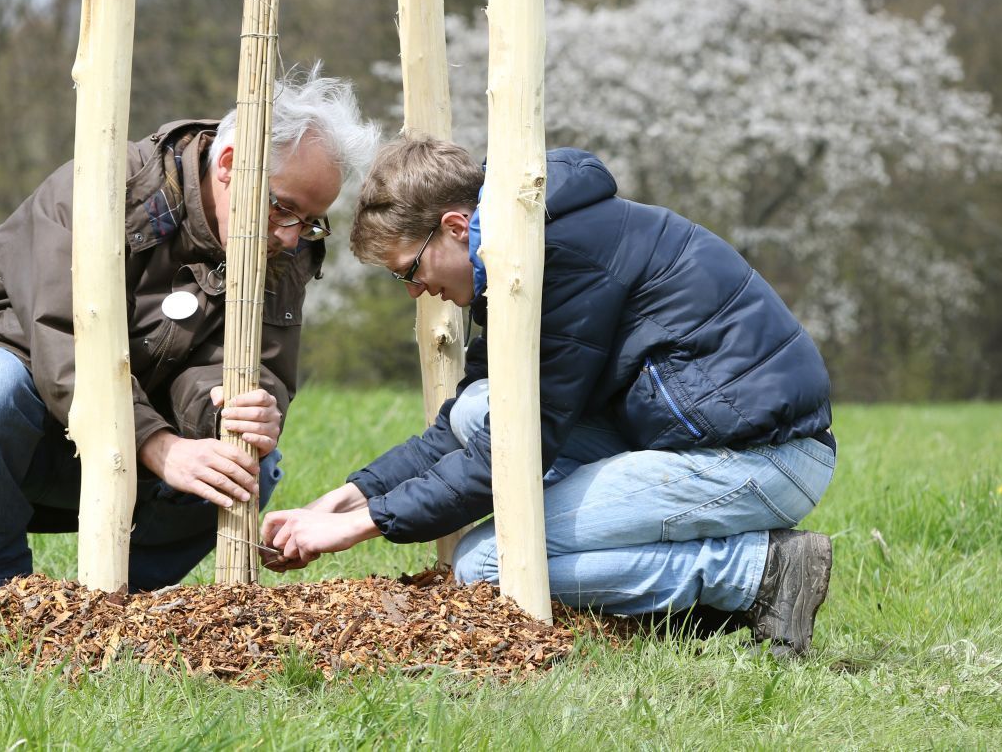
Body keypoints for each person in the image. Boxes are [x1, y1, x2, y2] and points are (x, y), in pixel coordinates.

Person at [261, 137, 837, 656]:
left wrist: (365, 525)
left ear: (457, 228)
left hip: (760, 457)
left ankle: (757, 571)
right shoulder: (518, 253)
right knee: (473, 407)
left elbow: (516, 447)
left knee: (484, 564)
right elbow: (468, 428)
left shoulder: (561, 259)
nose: (416, 290)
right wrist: (350, 497)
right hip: (690, 437)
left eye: (409, 269)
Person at [0, 71, 379, 598]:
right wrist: (158, 445)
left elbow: (252, 367)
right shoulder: (103, 187)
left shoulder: (282, 246)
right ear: (229, 165)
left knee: (247, 470)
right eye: (284, 207)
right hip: (17, 421)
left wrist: (233, 410)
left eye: (310, 221)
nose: (289, 235)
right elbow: (63, 343)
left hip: (130, 439)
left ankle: (117, 602)